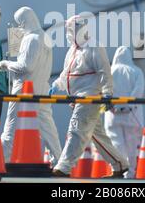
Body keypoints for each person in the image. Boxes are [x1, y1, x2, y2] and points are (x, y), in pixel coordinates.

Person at [51, 15, 129, 178]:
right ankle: (120, 164)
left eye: (69, 30)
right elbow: (66, 73)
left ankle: (64, 168)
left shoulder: (94, 47)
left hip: (89, 98)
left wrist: (108, 93)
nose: (67, 34)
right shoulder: (73, 50)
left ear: (78, 29)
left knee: (76, 131)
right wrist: (56, 85)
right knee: (98, 136)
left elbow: (104, 71)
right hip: (78, 100)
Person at [0, 6, 62, 164]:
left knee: (10, 128)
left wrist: (6, 64)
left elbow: (26, 67)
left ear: (25, 21)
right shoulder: (45, 38)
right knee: (48, 129)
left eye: (20, 23)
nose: (19, 27)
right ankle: (59, 162)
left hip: (24, 90)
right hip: (42, 89)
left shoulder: (30, 39)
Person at [104, 46, 144, 179]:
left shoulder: (109, 71)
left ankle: (117, 170)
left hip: (112, 115)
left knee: (115, 144)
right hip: (131, 115)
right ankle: (130, 174)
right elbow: (138, 91)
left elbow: (104, 90)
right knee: (132, 146)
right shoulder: (136, 71)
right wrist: (128, 106)